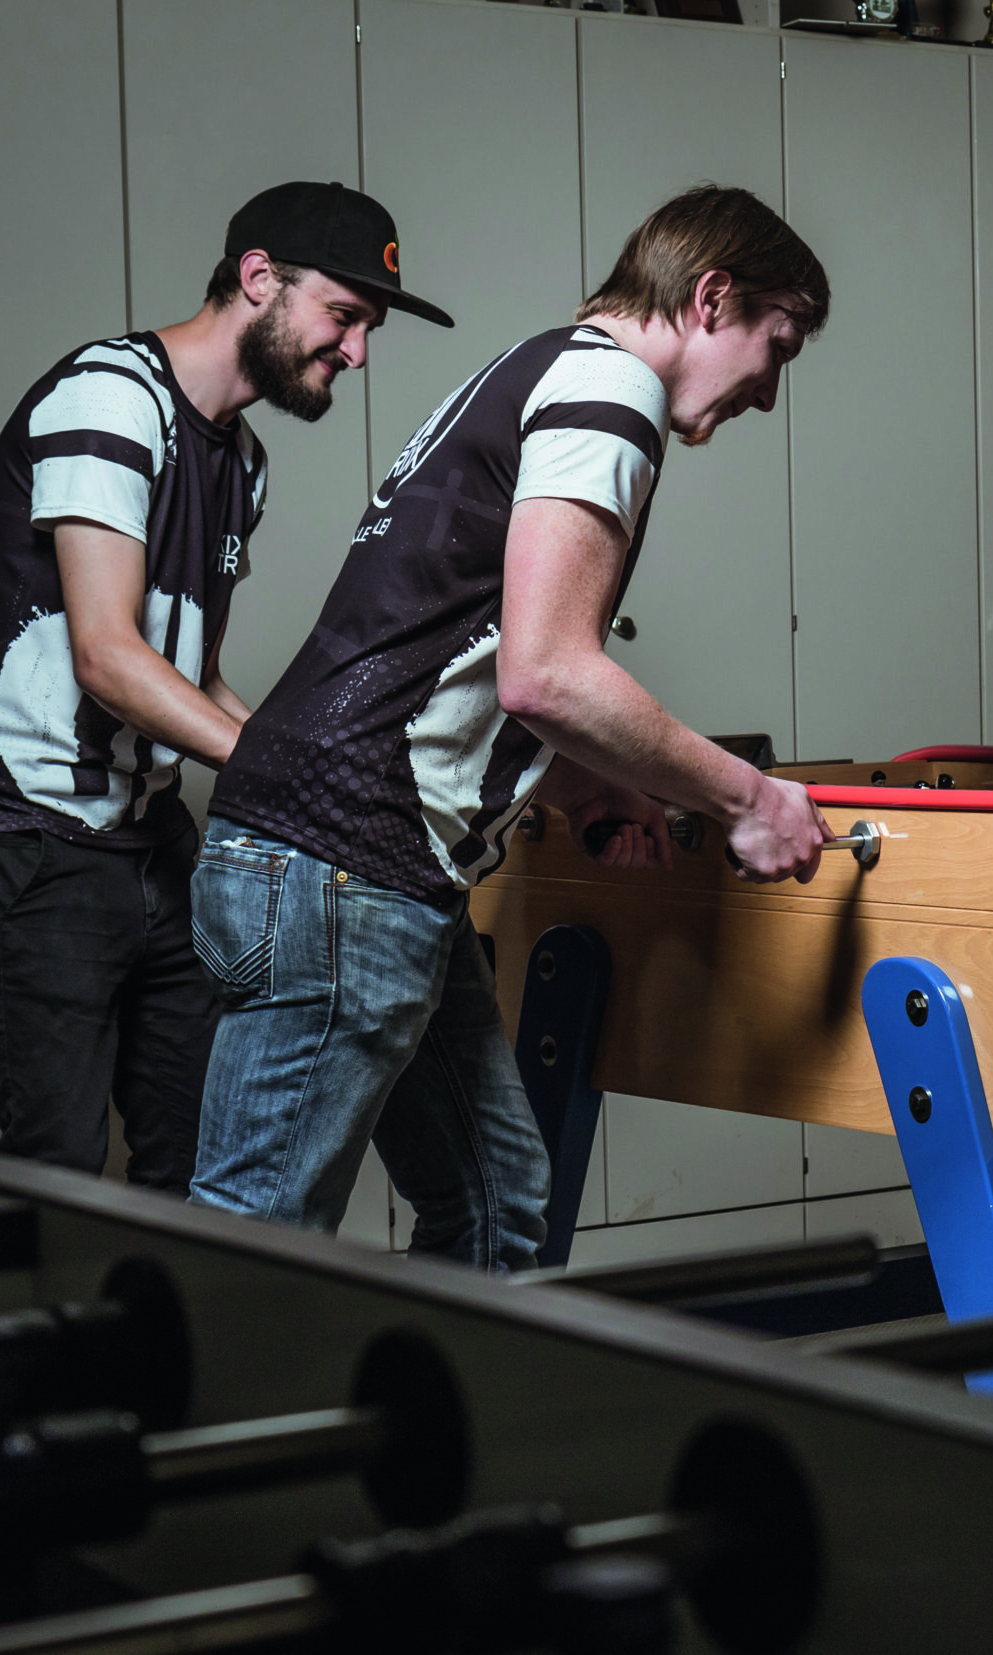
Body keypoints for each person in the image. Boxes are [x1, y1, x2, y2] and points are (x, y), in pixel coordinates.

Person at [186, 186, 834, 1273]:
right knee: (255, 1251)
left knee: (496, 1207)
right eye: (780, 345)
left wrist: (591, 783)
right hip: (343, 869)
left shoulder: (544, 366)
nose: (770, 391)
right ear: (712, 297)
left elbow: (459, 643)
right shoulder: (612, 391)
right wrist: (747, 797)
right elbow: (547, 674)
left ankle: (441, 1394)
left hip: (358, 863)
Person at [0, 181, 443, 1193]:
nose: (358, 351)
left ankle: (161, 1311)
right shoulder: (111, 397)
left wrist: (333, 777)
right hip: (26, 835)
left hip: (150, 841)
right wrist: (290, 775)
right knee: (60, 1168)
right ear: (259, 278)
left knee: (198, 1154)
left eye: (369, 328)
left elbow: (189, 674)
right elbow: (109, 659)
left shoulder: (243, 463)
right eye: (344, 316)